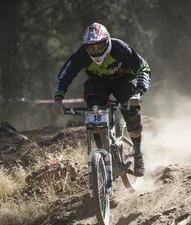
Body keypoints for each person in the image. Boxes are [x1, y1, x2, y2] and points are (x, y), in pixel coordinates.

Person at [53, 23, 151, 177]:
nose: (96, 51)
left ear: (107, 42)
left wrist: (138, 92)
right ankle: (104, 154)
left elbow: (143, 67)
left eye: (100, 46)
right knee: (94, 113)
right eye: (92, 48)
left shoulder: (120, 48)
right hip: (99, 83)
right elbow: (65, 75)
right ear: (86, 47)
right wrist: (58, 98)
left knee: (131, 112)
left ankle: (138, 154)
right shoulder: (81, 55)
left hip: (124, 80)